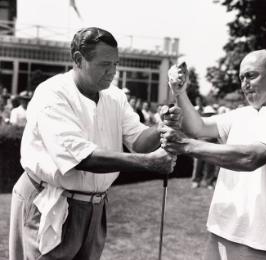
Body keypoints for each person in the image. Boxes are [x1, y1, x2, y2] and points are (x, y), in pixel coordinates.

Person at [9, 27, 178, 260]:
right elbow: (82, 157)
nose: (113, 72)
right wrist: (149, 163)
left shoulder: (115, 96)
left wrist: (159, 128)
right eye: (105, 64)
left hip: (94, 207)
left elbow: (138, 141)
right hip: (49, 201)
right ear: (78, 59)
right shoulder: (52, 94)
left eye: (116, 64)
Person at [161, 50, 266, 260]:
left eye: (251, 75)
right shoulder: (241, 114)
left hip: (261, 240)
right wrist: (180, 93)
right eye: (241, 78)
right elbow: (198, 127)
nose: (244, 84)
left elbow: (250, 158)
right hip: (221, 230)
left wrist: (184, 145)